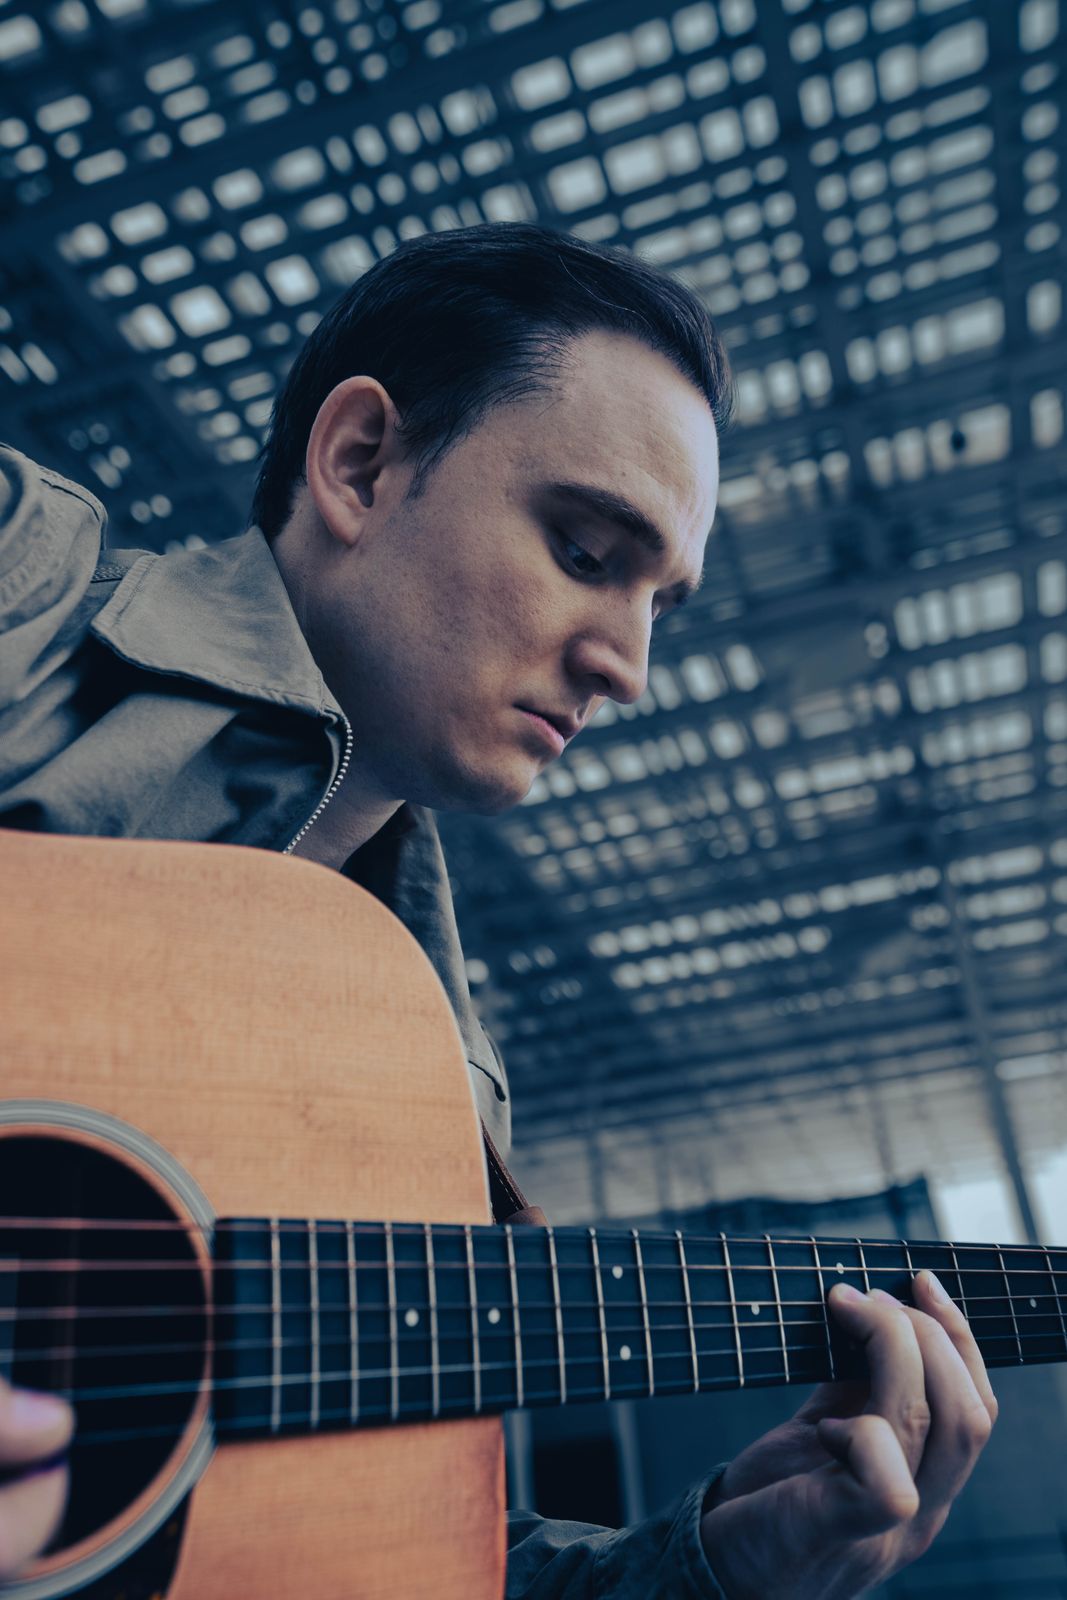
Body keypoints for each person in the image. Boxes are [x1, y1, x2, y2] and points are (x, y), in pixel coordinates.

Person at [0, 222, 996, 1597]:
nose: (631, 666)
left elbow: (375, 1555)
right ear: (361, 463)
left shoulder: (431, 1084)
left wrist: (714, 1564)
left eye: (662, 602)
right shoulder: (22, 576)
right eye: (586, 549)